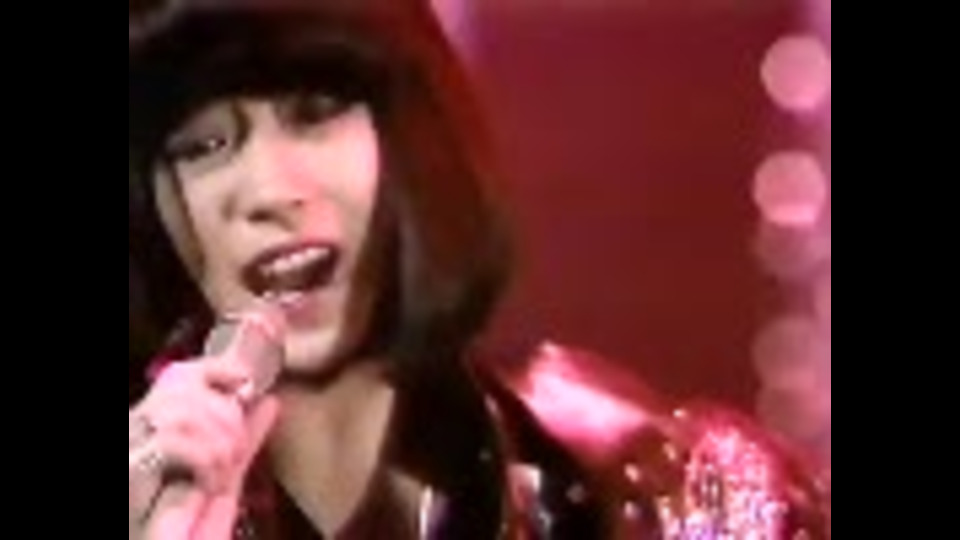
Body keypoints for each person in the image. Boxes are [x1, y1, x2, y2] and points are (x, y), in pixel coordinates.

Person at [128, 0, 831, 538]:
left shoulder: (651, 493)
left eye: (315, 112)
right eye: (202, 147)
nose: (269, 190)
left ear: (412, 137)